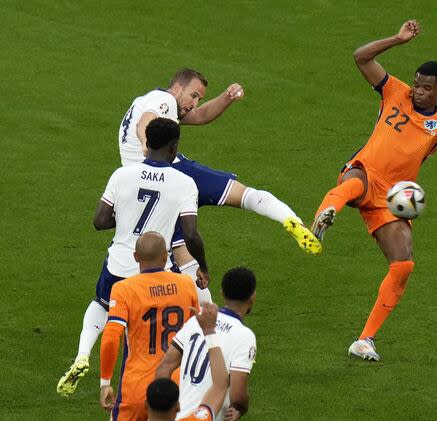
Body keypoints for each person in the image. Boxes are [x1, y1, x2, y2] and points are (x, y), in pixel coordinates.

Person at [311, 20, 437, 360]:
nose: (418, 90)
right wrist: (397, 38)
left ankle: (364, 340)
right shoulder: (394, 91)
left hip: (392, 200)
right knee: (353, 185)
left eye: (426, 87)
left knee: (403, 264)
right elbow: (360, 57)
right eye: (416, 84)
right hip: (365, 171)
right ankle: (323, 216)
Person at [119, 68, 321, 285]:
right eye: (193, 95)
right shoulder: (165, 99)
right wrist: (145, 143)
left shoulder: (147, 100)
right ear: (177, 88)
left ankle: (196, 309)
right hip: (171, 173)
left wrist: (227, 97)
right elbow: (146, 123)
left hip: (143, 184)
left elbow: (201, 115)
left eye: (199, 98)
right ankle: (290, 219)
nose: (194, 103)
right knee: (243, 195)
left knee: (180, 250)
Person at [57, 119, 208, 397]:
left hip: (119, 263)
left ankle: (83, 353)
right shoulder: (185, 183)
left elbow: (100, 221)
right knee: (149, 327)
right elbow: (190, 234)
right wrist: (203, 268)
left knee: (103, 305)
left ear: (147, 143)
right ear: (174, 147)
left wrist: (127, 217)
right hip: (153, 268)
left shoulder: (122, 175)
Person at [94, 232, 200, 421]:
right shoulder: (185, 284)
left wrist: (105, 381)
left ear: (135, 257)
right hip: (177, 388)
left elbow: (111, 335)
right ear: (166, 257)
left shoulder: (125, 289)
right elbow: (197, 333)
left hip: (136, 388)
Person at [155, 267, 258, 421]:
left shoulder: (197, 321)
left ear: (221, 292)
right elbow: (238, 393)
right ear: (252, 296)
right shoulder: (244, 336)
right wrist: (241, 408)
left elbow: (165, 367)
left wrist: (164, 409)